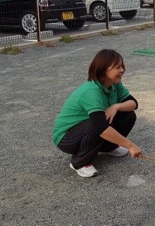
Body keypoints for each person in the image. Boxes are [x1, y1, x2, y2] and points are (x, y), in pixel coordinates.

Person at [52, 49, 143, 178]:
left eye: (122, 66)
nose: (122, 70)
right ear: (103, 69)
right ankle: (79, 162)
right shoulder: (91, 90)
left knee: (128, 115)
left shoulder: (114, 85)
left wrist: (117, 106)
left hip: (88, 128)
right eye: (117, 67)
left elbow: (134, 103)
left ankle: (108, 148)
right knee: (98, 124)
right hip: (66, 137)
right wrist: (130, 145)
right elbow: (101, 128)